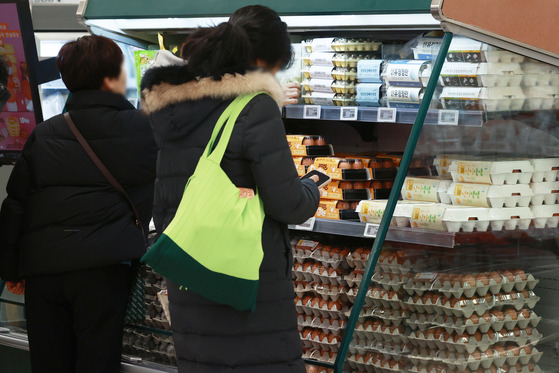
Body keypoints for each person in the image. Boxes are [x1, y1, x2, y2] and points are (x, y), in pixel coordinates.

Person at [140, 17, 320, 373]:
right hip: (245, 278)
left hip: (190, 274)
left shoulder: (167, 111)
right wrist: (311, 187)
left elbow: (162, 205)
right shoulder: (254, 107)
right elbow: (289, 203)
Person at [0, 35, 157, 373]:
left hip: (45, 271)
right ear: (113, 77)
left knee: (49, 363)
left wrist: (11, 269)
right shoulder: (143, 131)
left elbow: (16, 206)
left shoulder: (44, 134)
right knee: (97, 362)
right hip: (103, 270)